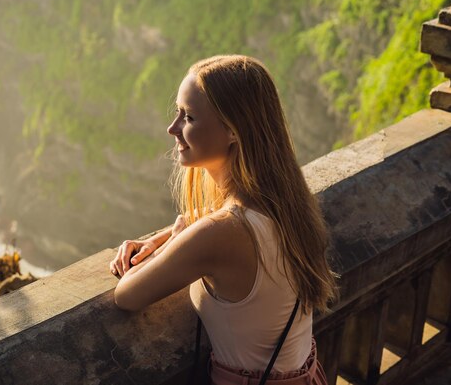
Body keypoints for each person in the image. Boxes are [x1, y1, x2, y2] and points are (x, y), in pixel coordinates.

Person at [109, 55, 336, 385]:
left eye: (188, 117)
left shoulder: (221, 234)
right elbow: (213, 226)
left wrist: (173, 241)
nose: (172, 128)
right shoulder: (285, 205)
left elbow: (126, 296)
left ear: (232, 130)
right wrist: (164, 238)